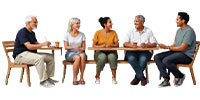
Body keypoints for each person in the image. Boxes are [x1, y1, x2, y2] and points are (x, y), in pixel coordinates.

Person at [13, 15, 58, 88]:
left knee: (50, 57)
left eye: (37, 22)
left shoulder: (32, 33)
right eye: (35, 22)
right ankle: (43, 81)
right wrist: (43, 44)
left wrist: (46, 44)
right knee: (39, 58)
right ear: (28, 22)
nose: (37, 24)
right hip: (20, 56)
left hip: (30, 54)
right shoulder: (22, 32)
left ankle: (48, 78)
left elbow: (37, 44)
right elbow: (29, 46)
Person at [154, 12, 196, 87]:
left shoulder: (189, 31)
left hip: (186, 56)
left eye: (177, 19)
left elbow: (182, 48)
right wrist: (166, 46)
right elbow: (175, 44)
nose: (176, 21)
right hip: (176, 52)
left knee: (166, 60)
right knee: (157, 57)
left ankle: (180, 76)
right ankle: (166, 80)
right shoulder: (179, 31)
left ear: (183, 21)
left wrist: (167, 47)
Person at [123, 15, 157, 86]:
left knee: (143, 60)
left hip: (145, 52)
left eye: (137, 21)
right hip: (132, 52)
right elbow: (125, 43)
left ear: (142, 22)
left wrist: (146, 45)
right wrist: (132, 45)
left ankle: (137, 77)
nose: (135, 23)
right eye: (134, 21)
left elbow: (154, 43)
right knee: (131, 58)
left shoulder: (148, 31)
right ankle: (141, 77)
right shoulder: (131, 31)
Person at [93, 17, 119, 84]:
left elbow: (117, 45)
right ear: (105, 24)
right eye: (110, 22)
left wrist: (111, 45)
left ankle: (114, 77)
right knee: (102, 57)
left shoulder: (113, 32)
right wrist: (102, 46)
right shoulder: (97, 33)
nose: (111, 24)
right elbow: (94, 46)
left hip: (111, 51)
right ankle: (97, 77)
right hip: (99, 52)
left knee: (112, 57)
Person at [64, 18, 87, 85]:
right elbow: (66, 47)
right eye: (77, 23)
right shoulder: (67, 34)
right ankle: (75, 78)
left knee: (82, 56)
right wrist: (74, 47)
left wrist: (80, 50)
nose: (79, 25)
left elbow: (83, 47)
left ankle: (82, 77)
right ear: (72, 25)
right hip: (70, 53)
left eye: (79, 23)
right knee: (77, 57)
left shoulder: (82, 34)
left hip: (80, 52)